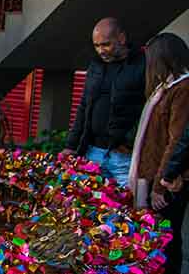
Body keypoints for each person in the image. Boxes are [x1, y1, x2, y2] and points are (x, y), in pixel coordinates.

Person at [127, 33, 189, 274]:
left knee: (165, 241)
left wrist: (161, 184)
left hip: (166, 182)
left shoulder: (183, 89)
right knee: (152, 238)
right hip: (153, 177)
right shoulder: (166, 88)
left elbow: (176, 142)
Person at [62, 18, 147, 180]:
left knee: (124, 203)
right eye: (97, 46)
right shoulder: (96, 66)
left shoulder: (142, 65)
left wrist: (129, 142)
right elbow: (84, 105)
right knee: (87, 202)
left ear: (121, 38)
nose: (101, 51)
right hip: (93, 152)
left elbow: (149, 109)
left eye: (106, 44)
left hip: (123, 157)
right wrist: (71, 145)